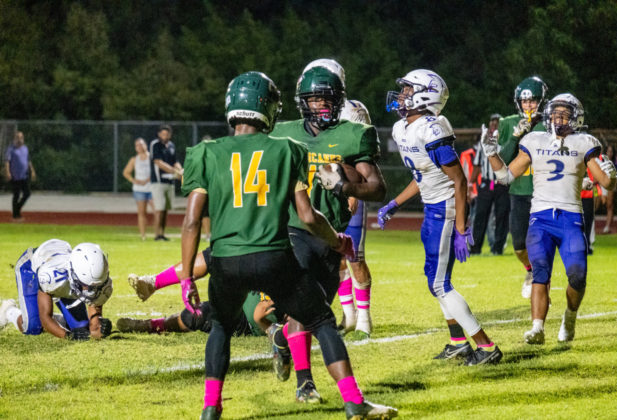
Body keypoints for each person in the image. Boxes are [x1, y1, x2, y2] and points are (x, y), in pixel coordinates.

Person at [178, 71, 396, 420]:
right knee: (323, 320)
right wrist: (337, 240)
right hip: (274, 255)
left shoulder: (205, 152)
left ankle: (210, 408)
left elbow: (190, 222)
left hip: (225, 259)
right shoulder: (285, 148)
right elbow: (308, 216)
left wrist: (188, 278)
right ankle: (354, 402)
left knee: (220, 328)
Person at [269, 59, 387, 402]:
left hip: (330, 235)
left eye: (325, 99)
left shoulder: (353, 134)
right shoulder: (282, 131)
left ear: (338, 101)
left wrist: (344, 188)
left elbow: (378, 188)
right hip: (293, 228)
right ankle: (305, 383)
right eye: (313, 99)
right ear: (301, 101)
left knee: (311, 307)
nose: (319, 105)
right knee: (308, 307)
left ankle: (283, 342)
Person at [379, 69, 502, 366]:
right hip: (432, 209)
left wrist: (461, 228)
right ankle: (459, 342)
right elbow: (422, 176)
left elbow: (459, 181)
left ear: (425, 95)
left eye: (408, 90)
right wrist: (395, 202)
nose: (401, 95)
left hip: (446, 209)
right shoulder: (403, 129)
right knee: (434, 280)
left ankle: (486, 346)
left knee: (440, 284)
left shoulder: (432, 129)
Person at [482, 93, 616, 344]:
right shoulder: (534, 139)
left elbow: (605, 181)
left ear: (576, 117)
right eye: (555, 112)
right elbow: (505, 177)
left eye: (564, 113)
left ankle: (570, 315)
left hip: (571, 218)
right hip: (541, 217)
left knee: (577, 276)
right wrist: (492, 154)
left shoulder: (584, 142)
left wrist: (613, 177)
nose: (558, 117)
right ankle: (537, 328)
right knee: (540, 272)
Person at [0, 240, 113, 340]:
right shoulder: (50, 276)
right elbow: (45, 317)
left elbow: (94, 330)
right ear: (72, 273)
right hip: (31, 269)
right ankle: (9, 311)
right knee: (33, 327)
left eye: (94, 287)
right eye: (84, 285)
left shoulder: (101, 282)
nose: (89, 291)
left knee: (82, 328)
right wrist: (68, 335)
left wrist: (100, 326)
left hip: (64, 278)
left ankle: (60, 320)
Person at [498, 76, 548, 298]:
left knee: (540, 242)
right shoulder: (508, 123)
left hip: (544, 191)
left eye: (533, 101)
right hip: (518, 191)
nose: (528, 105)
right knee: (519, 244)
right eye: (525, 101)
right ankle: (530, 270)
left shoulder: (550, 123)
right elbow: (503, 161)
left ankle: (541, 279)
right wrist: (516, 136)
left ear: (541, 101)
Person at [336, 99, 377, 338]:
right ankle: (348, 315)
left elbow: (364, 166)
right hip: (331, 199)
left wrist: (355, 193)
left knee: (355, 259)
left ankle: (364, 318)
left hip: (353, 198)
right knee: (337, 259)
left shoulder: (353, 113)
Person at [469, 114, 510, 255]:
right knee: (480, 216)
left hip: (502, 184)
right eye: (492, 121)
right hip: (487, 184)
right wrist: (470, 184)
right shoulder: (483, 141)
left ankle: (498, 249)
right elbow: (477, 164)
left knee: (502, 216)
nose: (494, 123)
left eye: (497, 121)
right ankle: (475, 248)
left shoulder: (506, 141)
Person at [150, 124, 183, 241]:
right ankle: (157, 235)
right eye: (163, 134)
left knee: (165, 210)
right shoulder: (156, 145)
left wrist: (181, 170)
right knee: (159, 209)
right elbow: (158, 162)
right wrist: (175, 172)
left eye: (167, 134)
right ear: (159, 134)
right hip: (158, 182)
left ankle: (162, 234)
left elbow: (175, 161)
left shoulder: (171, 146)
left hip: (170, 182)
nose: (165, 136)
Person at [123, 137, 154, 240]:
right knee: (142, 213)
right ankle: (143, 235)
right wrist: (133, 180)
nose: (139, 147)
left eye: (141, 144)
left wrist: (148, 179)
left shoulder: (152, 158)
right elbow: (126, 172)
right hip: (139, 190)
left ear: (146, 145)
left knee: (157, 211)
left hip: (152, 188)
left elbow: (156, 171)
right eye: (137, 145)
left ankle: (158, 233)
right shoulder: (134, 159)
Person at [4, 131, 36, 221]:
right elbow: (7, 161)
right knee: (16, 195)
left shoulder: (25, 148)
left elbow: (28, 160)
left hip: (24, 176)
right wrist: (7, 172)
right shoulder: (11, 149)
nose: (19, 140)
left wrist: (32, 171)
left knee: (27, 193)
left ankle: (17, 209)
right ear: (14, 139)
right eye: (17, 138)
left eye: (21, 138)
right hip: (15, 176)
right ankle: (15, 215)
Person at [600, 143, 615, 233]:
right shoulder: (601, 161)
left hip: (611, 185)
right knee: (600, 203)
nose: (610, 153)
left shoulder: (615, 162)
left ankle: (607, 226)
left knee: (609, 205)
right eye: (608, 151)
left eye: (611, 151)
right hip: (601, 184)